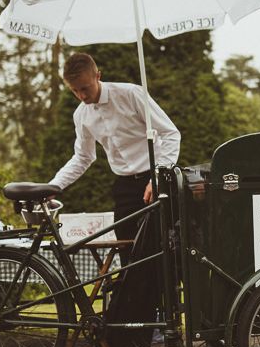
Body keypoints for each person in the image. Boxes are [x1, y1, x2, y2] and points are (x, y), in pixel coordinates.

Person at [48, 52, 181, 246]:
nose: (82, 96)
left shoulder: (131, 94)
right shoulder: (81, 115)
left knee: (162, 252)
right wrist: (54, 186)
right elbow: (83, 157)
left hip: (158, 180)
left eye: (85, 88)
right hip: (124, 188)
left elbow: (170, 134)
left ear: (98, 76)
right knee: (128, 251)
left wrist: (159, 175)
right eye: (75, 91)